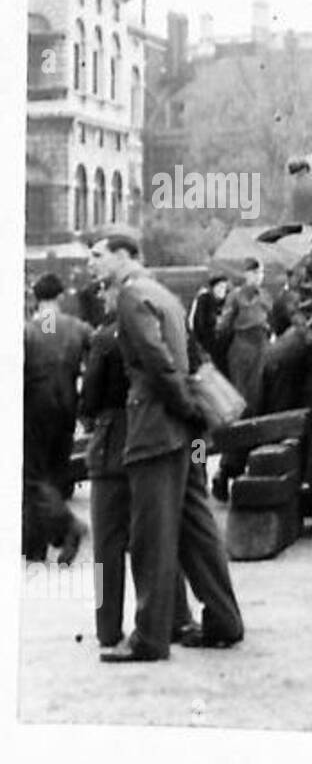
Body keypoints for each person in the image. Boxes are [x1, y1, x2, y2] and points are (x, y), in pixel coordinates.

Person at [87, 231, 244, 663]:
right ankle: (225, 620)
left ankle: (151, 639)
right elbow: (191, 355)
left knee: (151, 537)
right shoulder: (166, 295)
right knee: (197, 528)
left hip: (155, 428)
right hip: (183, 435)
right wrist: (192, 412)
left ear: (126, 256)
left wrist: (184, 404)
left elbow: (158, 362)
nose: (91, 264)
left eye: (99, 256)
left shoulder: (132, 296)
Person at [81, 281, 197, 648]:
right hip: (156, 435)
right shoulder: (163, 328)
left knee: (107, 548)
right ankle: (177, 619)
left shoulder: (103, 339)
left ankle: (107, 627)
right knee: (159, 538)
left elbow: (89, 401)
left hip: (113, 443)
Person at [23, 273, 91, 562]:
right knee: (53, 474)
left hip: (35, 408)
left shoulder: (31, 329)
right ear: (61, 297)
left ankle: (65, 528)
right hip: (67, 407)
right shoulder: (78, 328)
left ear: (35, 299)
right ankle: (35, 543)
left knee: (31, 478)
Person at [212, 259, 271, 501]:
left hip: (262, 345)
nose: (259, 276)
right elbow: (224, 325)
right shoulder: (236, 296)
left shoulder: (266, 295)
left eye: (261, 272)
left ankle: (242, 463)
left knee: (257, 404)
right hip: (243, 347)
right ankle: (227, 469)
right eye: (255, 272)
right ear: (246, 273)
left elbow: (272, 318)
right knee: (241, 406)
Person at [189, 274, 230, 370]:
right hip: (206, 344)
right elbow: (199, 325)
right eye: (220, 287)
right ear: (213, 288)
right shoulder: (204, 300)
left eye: (224, 287)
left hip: (220, 345)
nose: (222, 290)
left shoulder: (226, 301)